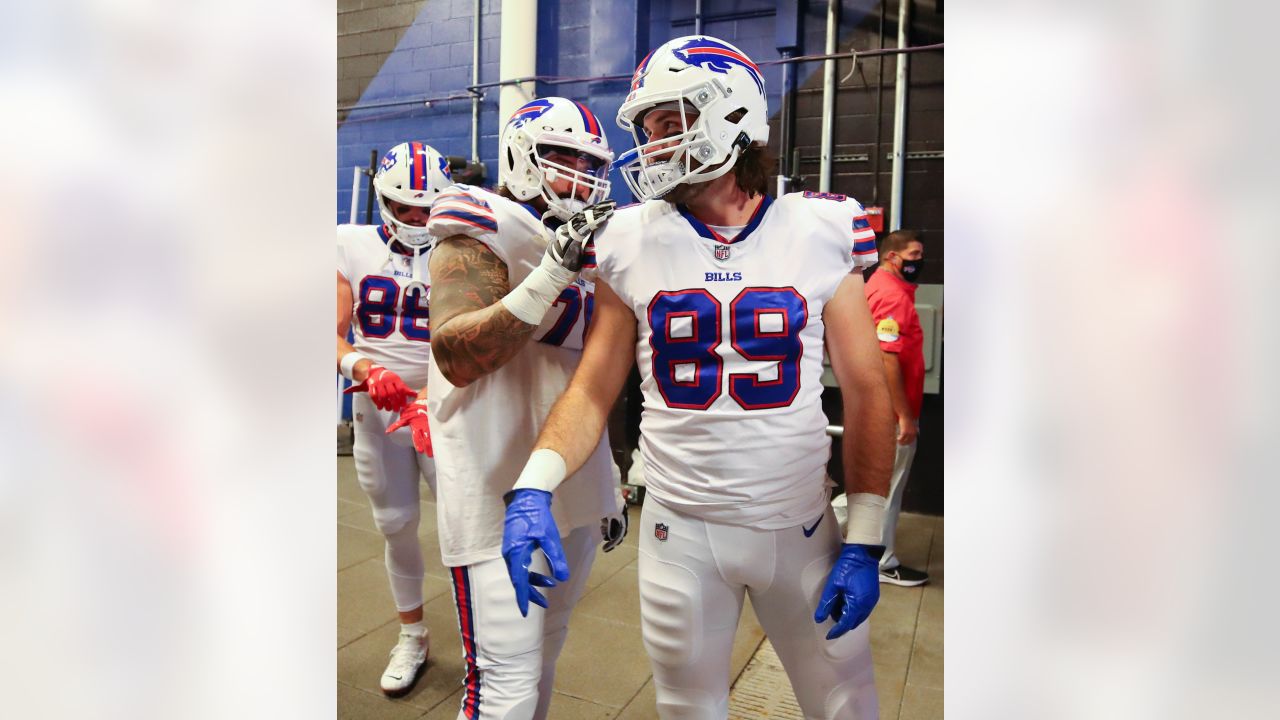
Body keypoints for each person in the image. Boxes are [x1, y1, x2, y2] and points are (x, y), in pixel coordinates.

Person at [499, 36, 896, 720]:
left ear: (730, 114)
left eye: (665, 123)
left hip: (798, 526)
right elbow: (594, 387)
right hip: (679, 531)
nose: (651, 146)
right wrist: (532, 485)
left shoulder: (821, 226)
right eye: (648, 130)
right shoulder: (629, 237)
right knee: (686, 708)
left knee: (845, 704)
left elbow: (867, 391)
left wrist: (864, 534)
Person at [423, 96, 626, 720]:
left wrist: (608, 477)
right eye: (564, 157)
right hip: (494, 482)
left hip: (568, 481)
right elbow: (456, 353)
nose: (581, 176)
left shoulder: (592, 239)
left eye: (591, 163)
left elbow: (588, 373)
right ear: (521, 155)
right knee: (501, 690)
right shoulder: (483, 219)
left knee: (545, 661)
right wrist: (551, 274)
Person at [337, 141, 452, 696]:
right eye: (405, 208)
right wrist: (359, 362)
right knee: (396, 521)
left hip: (447, 402)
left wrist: (435, 392)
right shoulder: (350, 243)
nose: (416, 219)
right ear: (383, 200)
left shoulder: (462, 246)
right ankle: (413, 634)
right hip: (377, 406)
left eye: (426, 208)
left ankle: (487, 640)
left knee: (465, 522)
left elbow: (475, 329)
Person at [864, 229, 930, 587]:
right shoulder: (892, 298)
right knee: (889, 488)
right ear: (893, 257)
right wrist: (905, 415)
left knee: (875, 485)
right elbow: (889, 361)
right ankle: (882, 561)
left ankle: (836, 530)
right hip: (890, 412)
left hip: (875, 406)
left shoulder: (877, 285)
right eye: (914, 254)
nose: (919, 261)